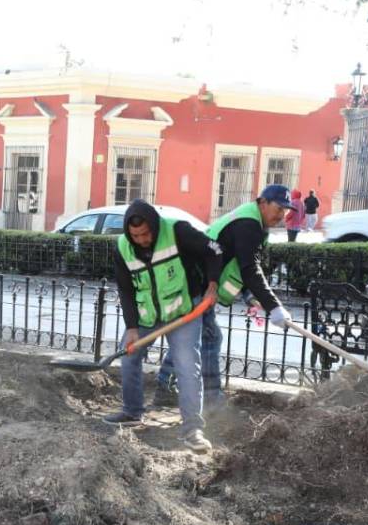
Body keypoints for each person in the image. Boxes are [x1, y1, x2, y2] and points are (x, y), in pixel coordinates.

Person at [159, 185, 296, 411]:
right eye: (279, 208)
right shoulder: (249, 225)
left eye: (286, 211)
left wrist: (249, 295)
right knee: (210, 338)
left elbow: (235, 262)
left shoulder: (253, 221)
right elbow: (249, 267)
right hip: (196, 282)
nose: (282, 215)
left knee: (191, 336)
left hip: (199, 281)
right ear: (263, 202)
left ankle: (164, 387)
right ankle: (212, 399)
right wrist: (275, 306)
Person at [105, 200, 221, 452]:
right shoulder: (123, 247)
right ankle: (132, 411)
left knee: (187, 365)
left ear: (155, 226)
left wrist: (212, 284)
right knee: (129, 356)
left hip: (184, 310)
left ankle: (192, 429)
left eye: (146, 233)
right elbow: (125, 289)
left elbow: (213, 250)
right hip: (148, 315)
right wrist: (132, 327)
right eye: (135, 235)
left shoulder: (177, 231)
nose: (142, 240)